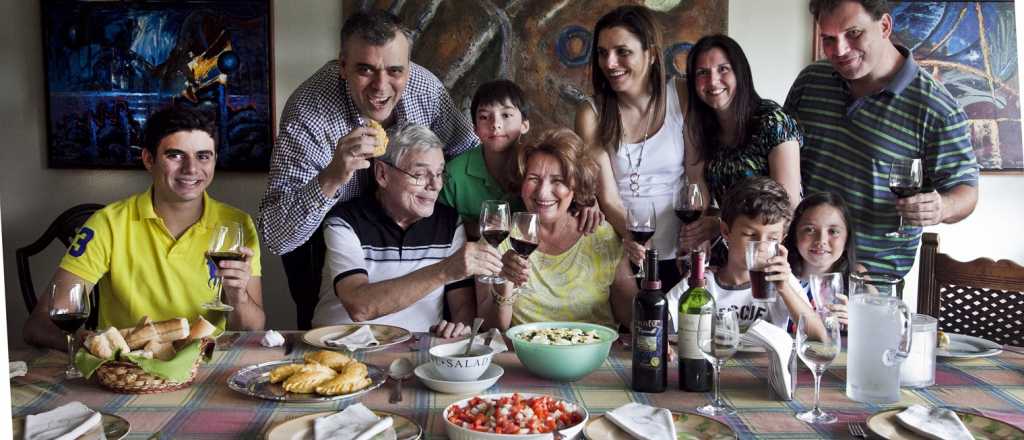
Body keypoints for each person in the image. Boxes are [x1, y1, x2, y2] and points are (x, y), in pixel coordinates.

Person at [258, 10, 477, 328]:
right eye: (366, 70)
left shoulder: (426, 90)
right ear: (343, 66)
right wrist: (331, 176)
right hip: (323, 237)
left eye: (395, 70)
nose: (381, 85)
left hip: (410, 232)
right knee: (327, 325)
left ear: (409, 67)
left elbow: (468, 153)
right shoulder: (309, 114)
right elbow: (276, 237)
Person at [24, 105, 265, 351]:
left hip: (209, 368)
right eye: (176, 155)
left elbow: (251, 329)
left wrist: (238, 297)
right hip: (130, 371)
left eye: (203, 156)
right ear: (149, 159)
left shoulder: (237, 224)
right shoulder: (107, 224)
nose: (191, 169)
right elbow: (40, 324)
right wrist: (98, 346)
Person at [784, 0, 979, 277]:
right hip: (800, 271)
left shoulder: (937, 108)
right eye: (829, 39)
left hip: (871, 281)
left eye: (853, 33)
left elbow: (966, 191)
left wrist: (942, 207)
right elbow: (779, 155)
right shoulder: (810, 80)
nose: (839, 51)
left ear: (885, 26)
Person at [313, 124, 502, 338]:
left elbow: (462, 309)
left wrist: (459, 328)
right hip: (337, 350)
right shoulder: (344, 222)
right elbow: (359, 307)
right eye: (420, 174)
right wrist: (444, 270)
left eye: (439, 173)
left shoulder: (448, 222)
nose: (435, 185)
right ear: (382, 174)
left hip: (417, 352)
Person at [478, 128, 638, 331]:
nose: (543, 192)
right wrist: (505, 283)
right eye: (534, 178)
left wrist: (655, 333)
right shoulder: (496, 239)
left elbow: (629, 312)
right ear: (521, 182)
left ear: (576, 185)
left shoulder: (601, 234)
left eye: (558, 181)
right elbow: (489, 329)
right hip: (526, 359)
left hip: (594, 357)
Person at [575, 5, 688, 290]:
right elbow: (608, 197)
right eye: (602, 53)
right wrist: (635, 238)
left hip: (681, 252)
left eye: (622, 52)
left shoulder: (681, 95)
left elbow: (697, 173)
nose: (610, 63)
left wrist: (695, 233)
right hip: (622, 252)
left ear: (650, 54)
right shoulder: (591, 113)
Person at [679, 35, 803, 266]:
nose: (713, 81)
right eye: (702, 73)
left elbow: (788, 205)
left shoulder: (773, 121)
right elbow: (698, 188)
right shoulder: (702, 127)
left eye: (723, 69)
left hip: (775, 250)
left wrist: (718, 225)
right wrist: (699, 232)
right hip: (731, 248)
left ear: (740, 73)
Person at [667, 177, 824, 338]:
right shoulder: (702, 282)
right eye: (750, 235)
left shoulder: (783, 281)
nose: (761, 245)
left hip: (766, 363)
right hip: (716, 361)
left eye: (772, 238)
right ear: (726, 231)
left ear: (782, 238)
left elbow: (819, 337)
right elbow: (658, 320)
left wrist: (784, 288)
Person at [440, 79, 530, 238]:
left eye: (506, 115)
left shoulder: (537, 168)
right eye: (484, 117)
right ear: (474, 128)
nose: (495, 124)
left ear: (524, 125)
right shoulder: (453, 174)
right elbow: (436, 225)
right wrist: (478, 228)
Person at [784, 192, 867, 324]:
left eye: (833, 231)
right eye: (810, 229)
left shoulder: (859, 279)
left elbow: (882, 329)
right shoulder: (779, 276)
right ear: (794, 234)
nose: (821, 240)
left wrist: (858, 322)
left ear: (847, 239)